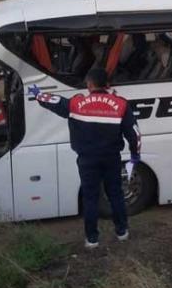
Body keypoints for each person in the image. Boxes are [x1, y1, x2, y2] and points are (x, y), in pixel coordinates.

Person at [34, 67, 140, 248]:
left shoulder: (76, 104)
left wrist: (37, 94)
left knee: (90, 198)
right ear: (107, 85)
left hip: (87, 160)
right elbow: (134, 134)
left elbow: (52, 100)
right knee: (115, 194)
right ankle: (122, 232)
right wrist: (134, 155)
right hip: (111, 158)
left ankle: (92, 239)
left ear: (89, 84)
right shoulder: (121, 104)